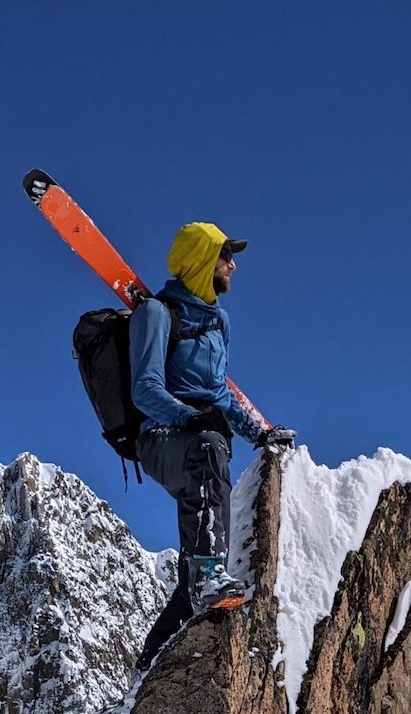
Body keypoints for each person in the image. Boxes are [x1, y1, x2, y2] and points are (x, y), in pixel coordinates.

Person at [130, 220, 294, 667]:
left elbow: (219, 394)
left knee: (211, 447)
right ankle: (208, 574)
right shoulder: (156, 314)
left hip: (203, 440)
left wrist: (259, 431)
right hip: (161, 437)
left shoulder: (217, 324)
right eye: (225, 256)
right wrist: (189, 416)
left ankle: (148, 668)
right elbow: (144, 390)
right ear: (203, 261)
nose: (233, 266)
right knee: (208, 446)